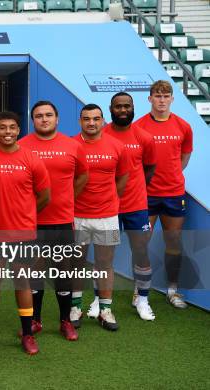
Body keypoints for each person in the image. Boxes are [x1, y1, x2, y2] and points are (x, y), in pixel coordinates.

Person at [17, 101, 88, 342]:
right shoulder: (21, 146)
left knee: (63, 271)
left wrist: (66, 199)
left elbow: (82, 176)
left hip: (62, 220)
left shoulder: (73, 145)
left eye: (48, 115)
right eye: (38, 116)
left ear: (57, 119)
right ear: (32, 120)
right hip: (31, 221)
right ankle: (35, 320)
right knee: (34, 270)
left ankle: (65, 321)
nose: (44, 119)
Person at [0, 111, 51, 355]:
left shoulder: (31, 159)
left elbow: (44, 196)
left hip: (23, 234)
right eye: (2, 128)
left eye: (12, 127)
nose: (8, 132)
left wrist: (27, 216)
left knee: (23, 283)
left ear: (18, 130)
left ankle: (27, 334)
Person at [135, 80, 193, 309]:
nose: (161, 100)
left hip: (173, 193)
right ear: (149, 99)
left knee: (174, 242)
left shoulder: (183, 126)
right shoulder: (139, 127)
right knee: (141, 244)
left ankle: (172, 290)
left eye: (165, 96)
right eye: (157, 96)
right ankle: (140, 291)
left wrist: (171, 174)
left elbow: (184, 158)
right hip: (146, 194)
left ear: (171, 99)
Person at [71, 104, 129, 331]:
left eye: (96, 118)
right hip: (77, 215)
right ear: (80, 122)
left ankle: (105, 310)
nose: (91, 123)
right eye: (86, 119)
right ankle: (75, 307)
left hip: (107, 216)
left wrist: (111, 200)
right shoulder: (70, 145)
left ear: (103, 120)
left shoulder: (117, 146)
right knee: (76, 263)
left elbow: (123, 178)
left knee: (105, 263)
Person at [104, 92, 157, 320]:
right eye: (118, 106)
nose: (123, 110)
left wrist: (134, 189)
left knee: (141, 251)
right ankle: (102, 301)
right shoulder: (101, 135)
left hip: (136, 206)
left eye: (127, 106)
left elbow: (150, 169)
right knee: (105, 255)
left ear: (133, 107)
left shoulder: (144, 137)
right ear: (111, 108)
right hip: (107, 207)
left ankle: (142, 299)